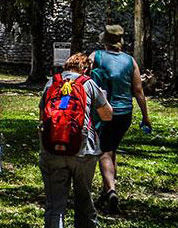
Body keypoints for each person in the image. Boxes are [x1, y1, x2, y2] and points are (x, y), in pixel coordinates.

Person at [40, 53, 113, 228]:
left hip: (51, 149)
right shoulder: (88, 83)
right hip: (83, 149)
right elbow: (107, 115)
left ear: (66, 66)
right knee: (83, 200)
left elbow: (42, 116)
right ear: (86, 68)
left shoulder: (52, 82)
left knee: (55, 205)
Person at [91, 25, 151, 214]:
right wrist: (145, 116)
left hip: (104, 111)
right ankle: (106, 189)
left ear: (105, 40)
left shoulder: (96, 56)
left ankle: (111, 191)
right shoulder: (130, 60)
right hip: (125, 113)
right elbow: (139, 90)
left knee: (103, 151)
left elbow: (83, 78)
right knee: (112, 148)